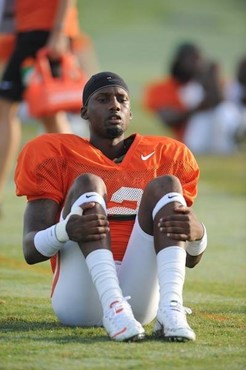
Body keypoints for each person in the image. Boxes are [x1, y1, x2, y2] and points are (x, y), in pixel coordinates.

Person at [15, 71, 208, 342]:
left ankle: (171, 309)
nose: (114, 105)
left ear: (130, 113)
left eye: (121, 99)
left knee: (167, 184)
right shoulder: (57, 154)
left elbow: (189, 258)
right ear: (84, 112)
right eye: (103, 99)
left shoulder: (165, 156)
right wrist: (65, 230)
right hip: (79, 298)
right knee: (88, 184)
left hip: (139, 302)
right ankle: (113, 305)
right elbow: (30, 250)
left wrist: (199, 235)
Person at [0, 0, 82, 215]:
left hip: (43, 29)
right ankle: (80, 181)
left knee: (5, 107)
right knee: (50, 113)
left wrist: (59, 31)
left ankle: (80, 180)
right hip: (31, 28)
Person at [143, 42, 241, 154]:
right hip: (190, 138)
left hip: (219, 134)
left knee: (224, 111)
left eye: (199, 60)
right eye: (192, 59)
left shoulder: (211, 83)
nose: (197, 64)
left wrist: (212, 79)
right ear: (179, 62)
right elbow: (168, 119)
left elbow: (225, 105)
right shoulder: (160, 88)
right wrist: (198, 108)